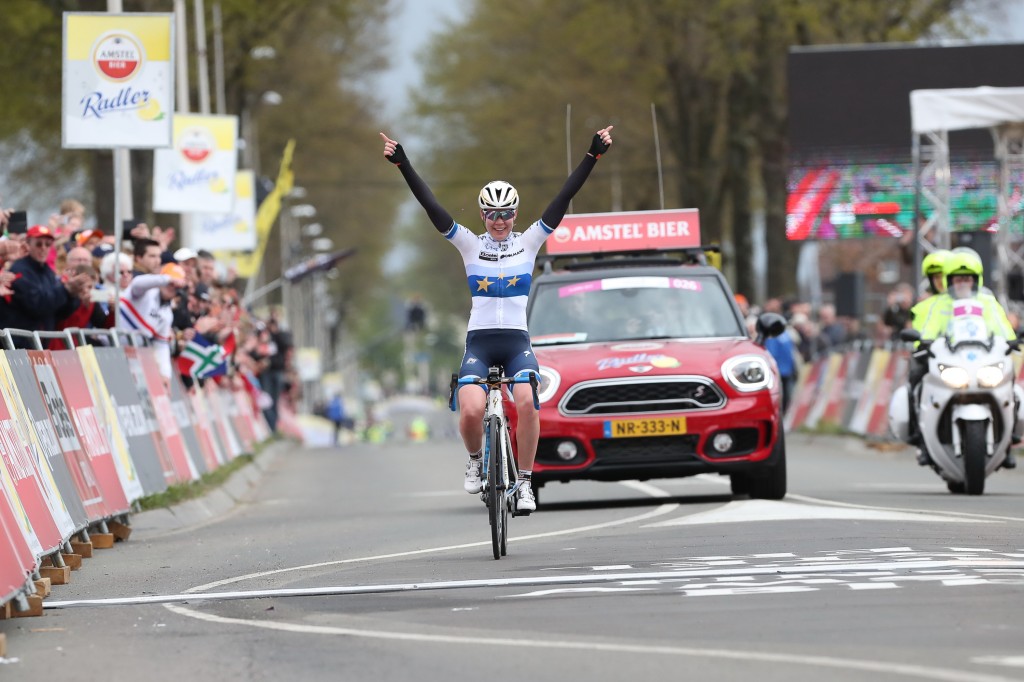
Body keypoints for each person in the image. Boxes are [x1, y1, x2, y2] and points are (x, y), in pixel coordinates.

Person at [381, 124, 614, 512]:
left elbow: (565, 196)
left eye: (506, 213)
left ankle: (524, 482)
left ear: (515, 213)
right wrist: (403, 163)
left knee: (526, 402)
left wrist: (593, 155)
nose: (499, 221)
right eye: (492, 214)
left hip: (517, 344)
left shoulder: (530, 241)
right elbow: (432, 207)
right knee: (471, 409)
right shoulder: (469, 244)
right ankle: (475, 460)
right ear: (482, 214)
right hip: (481, 343)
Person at [909, 251, 1016, 467]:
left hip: (981, 359)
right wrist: (923, 343)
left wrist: (1012, 340)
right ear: (951, 281)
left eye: (967, 278)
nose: (963, 283)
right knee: (917, 382)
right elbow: (927, 329)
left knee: (1012, 385)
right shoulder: (940, 304)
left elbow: (1002, 328)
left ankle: (1009, 438)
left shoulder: (988, 301)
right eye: (958, 279)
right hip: (950, 360)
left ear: (976, 280)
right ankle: (921, 438)